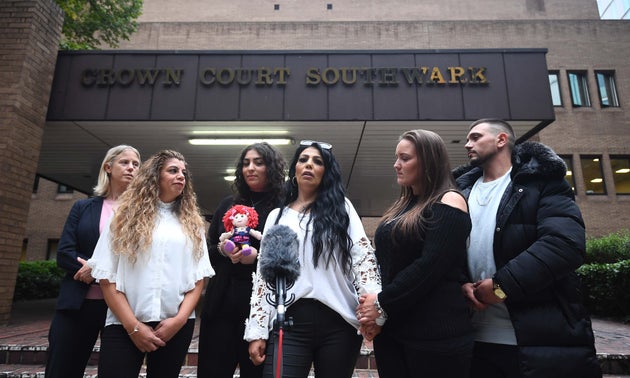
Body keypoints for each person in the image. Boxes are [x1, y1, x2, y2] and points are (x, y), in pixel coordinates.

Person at [454, 118, 601, 378]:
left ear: (501, 140)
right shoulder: (459, 192)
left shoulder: (542, 183)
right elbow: (448, 251)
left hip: (535, 340)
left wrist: (501, 287)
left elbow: (564, 245)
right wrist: (460, 282)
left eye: (476, 137)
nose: (468, 144)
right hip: (473, 339)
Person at [245, 140, 382, 378]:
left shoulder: (342, 209)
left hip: (339, 323)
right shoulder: (277, 217)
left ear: (326, 172)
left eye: (317, 162)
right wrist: (257, 330)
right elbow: (264, 279)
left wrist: (375, 310)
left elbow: (363, 259)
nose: (309, 165)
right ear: (295, 170)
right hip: (289, 322)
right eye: (303, 160)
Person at [356, 129, 474, 378]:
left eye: (405, 158)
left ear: (429, 160)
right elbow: (386, 264)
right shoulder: (405, 204)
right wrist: (374, 311)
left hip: (434, 337)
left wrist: (380, 304)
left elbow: (429, 267)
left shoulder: (450, 201)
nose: (396, 164)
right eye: (397, 157)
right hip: (394, 332)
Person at [87, 149, 215, 378]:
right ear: (154, 176)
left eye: (184, 172)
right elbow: (107, 278)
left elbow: (198, 279)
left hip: (175, 326)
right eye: (173, 171)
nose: (181, 176)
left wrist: (178, 320)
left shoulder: (193, 223)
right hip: (123, 324)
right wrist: (134, 327)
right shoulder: (122, 217)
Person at [45, 145, 140, 378]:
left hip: (119, 307)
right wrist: (94, 268)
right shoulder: (83, 207)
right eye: (124, 162)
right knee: (62, 369)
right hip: (77, 304)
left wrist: (95, 268)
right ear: (108, 167)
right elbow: (65, 253)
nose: (131, 168)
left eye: (136, 164)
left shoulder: (142, 212)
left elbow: (140, 259)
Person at [198, 142, 286, 378]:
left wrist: (257, 259)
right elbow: (207, 251)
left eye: (258, 163)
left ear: (272, 168)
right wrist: (222, 250)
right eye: (246, 163)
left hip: (260, 311)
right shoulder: (228, 204)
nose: (251, 168)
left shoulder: (283, 208)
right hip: (220, 306)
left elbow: (287, 259)